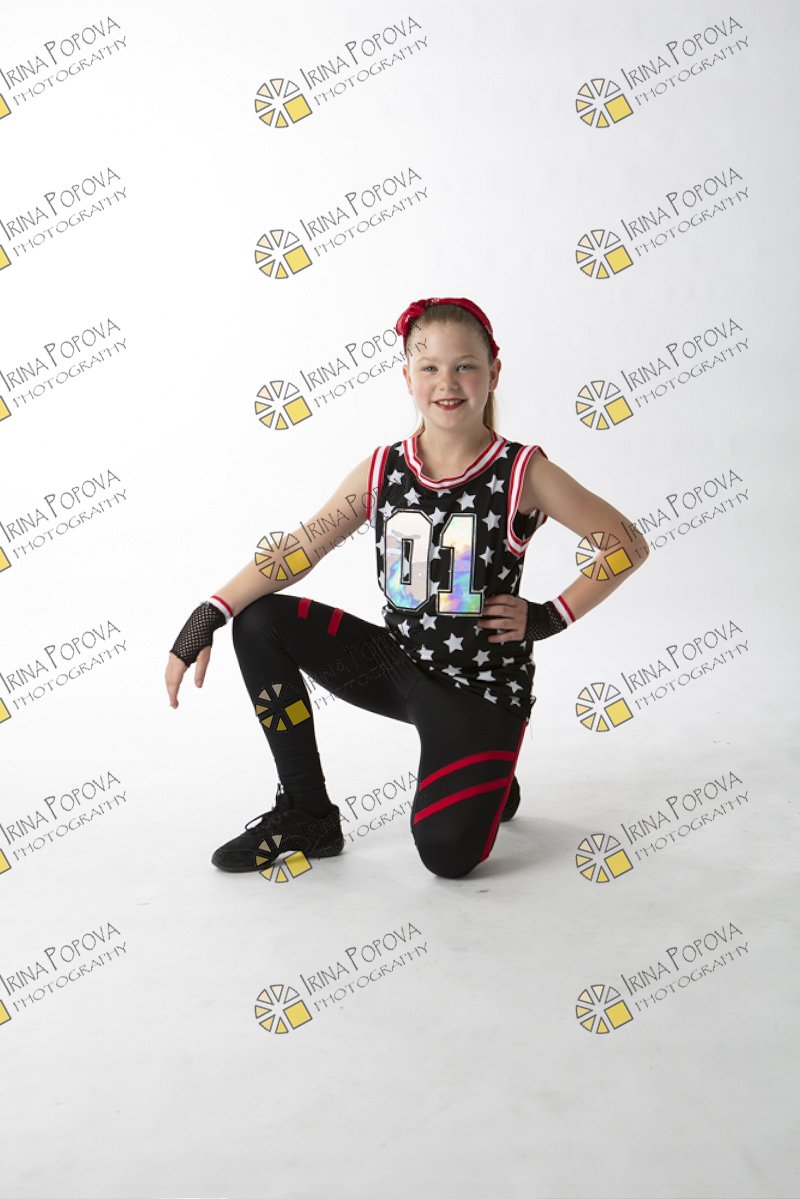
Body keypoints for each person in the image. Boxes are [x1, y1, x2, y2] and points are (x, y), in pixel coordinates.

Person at [165, 296, 650, 879]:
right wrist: (208, 613)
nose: (448, 382)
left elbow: (625, 543)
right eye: (430, 367)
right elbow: (300, 549)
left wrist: (548, 616)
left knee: (447, 857)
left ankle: (489, 768)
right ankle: (307, 814)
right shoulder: (382, 468)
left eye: (465, 366)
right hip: (397, 667)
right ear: (407, 378)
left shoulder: (522, 471)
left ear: (493, 372)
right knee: (259, 622)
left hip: (479, 690)